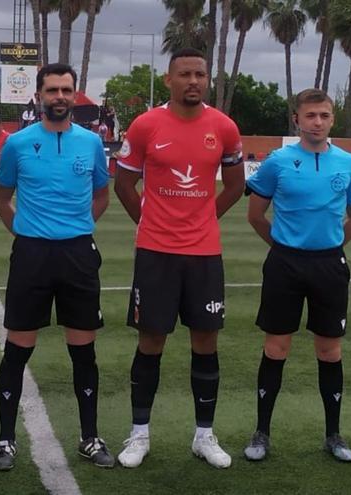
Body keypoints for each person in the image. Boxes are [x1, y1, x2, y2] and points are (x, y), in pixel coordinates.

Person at [113, 47, 245, 470]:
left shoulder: (223, 127)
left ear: (208, 80)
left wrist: (203, 217)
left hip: (204, 255)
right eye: (185, 74)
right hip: (156, 253)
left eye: (200, 74)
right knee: (151, 340)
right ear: (168, 79)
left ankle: (204, 435)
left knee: (205, 341)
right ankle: (139, 434)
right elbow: (124, 186)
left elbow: (235, 185)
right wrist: (151, 224)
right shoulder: (146, 124)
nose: (193, 80)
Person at [0, 63, 112, 471]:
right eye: (52, 90)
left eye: (66, 89)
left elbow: (101, 195)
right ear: (39, 95)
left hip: (78, 255)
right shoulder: (18, 144)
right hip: (32, 256)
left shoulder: (91, 144)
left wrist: (78, 228)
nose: (59, 96)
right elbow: (2, 196)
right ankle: (6, 440)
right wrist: (25, 233)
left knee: (84, 351)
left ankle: (90, 438)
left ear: (75, 95)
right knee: (17, 350)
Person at [242, 88, 351, 463]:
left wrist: (328, 247)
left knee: (329, 350)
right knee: (276, 347)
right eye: (310, 115)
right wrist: (284, 246)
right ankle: (262, 433)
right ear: (297, 119)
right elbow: (255, 215)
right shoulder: (278, 162)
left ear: (332, 119)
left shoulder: (348, 163)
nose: (317, 122)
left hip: (329, 265)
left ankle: (334, 435)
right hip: (284, 265)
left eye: (324, 115)